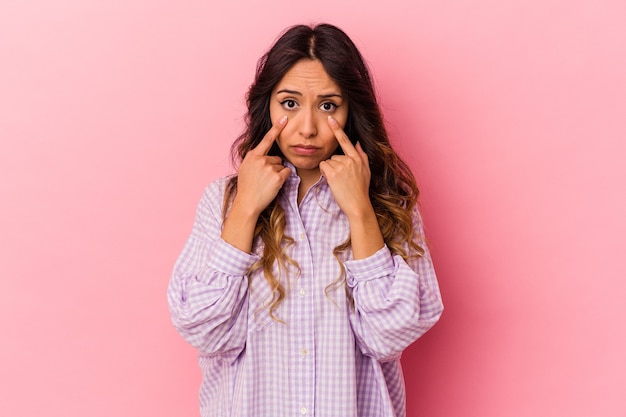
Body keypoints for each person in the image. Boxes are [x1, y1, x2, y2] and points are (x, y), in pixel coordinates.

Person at [168, 23, 443, 417]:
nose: (308, 127)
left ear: (351, 111)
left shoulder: (389, 203)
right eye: (290, 103)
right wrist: (246, 208)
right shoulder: (223, 201)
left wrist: (361, 211)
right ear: (267, 105)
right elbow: (203, 331)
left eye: (328, 105)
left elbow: (390, 336)